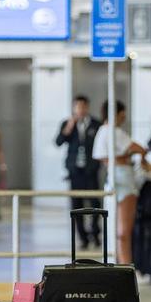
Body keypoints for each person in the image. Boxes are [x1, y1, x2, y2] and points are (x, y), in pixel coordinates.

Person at [92, 101, 147, 265]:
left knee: (116, 230)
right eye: (123, 114)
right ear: (118, 114)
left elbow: (103, 158)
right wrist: (127, 157)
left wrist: (120, 157)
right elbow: (140, 149)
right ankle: (126, 266)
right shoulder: (115, 132)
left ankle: (121, 264)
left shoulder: (102, 131)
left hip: (112, 179)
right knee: (124, 231)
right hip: (125, 179)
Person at [56, 95, 102, 248]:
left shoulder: (96, 124)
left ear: (87, 107)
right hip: (75, 171)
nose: (80, 109)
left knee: (95, 203)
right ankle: (82, 237)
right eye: (78, 107)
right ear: (74, 108)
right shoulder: (67, 123)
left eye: (83, 106)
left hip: (91, 170)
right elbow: (58, 142)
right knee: (76, 204)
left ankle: (95, 232)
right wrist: (69, 127)